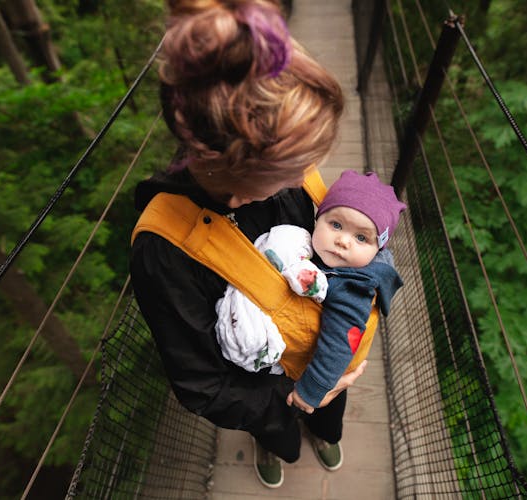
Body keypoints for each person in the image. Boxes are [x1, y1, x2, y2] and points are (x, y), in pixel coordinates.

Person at [130, 0, 368, 490]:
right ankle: (277, 443)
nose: (306, 177)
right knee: (278, 430)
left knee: (330, 413)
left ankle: (325, 432)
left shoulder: (288, 181)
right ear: (240, 178)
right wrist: (299, 394)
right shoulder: (164, 252)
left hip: (324, 349)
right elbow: (203, 385)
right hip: (265, 390)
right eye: (290, 170)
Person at [215, 170, 406, 419]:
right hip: (306, 360)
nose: (343, 241)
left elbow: (340, 341)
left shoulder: (352, 287)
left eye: (361, 237)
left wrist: (312, 390)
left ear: (377, 249)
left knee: (322, 417)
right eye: (336, 225)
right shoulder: (323, 255)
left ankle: (326, 437)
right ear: (318, 219)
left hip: (323, 373)